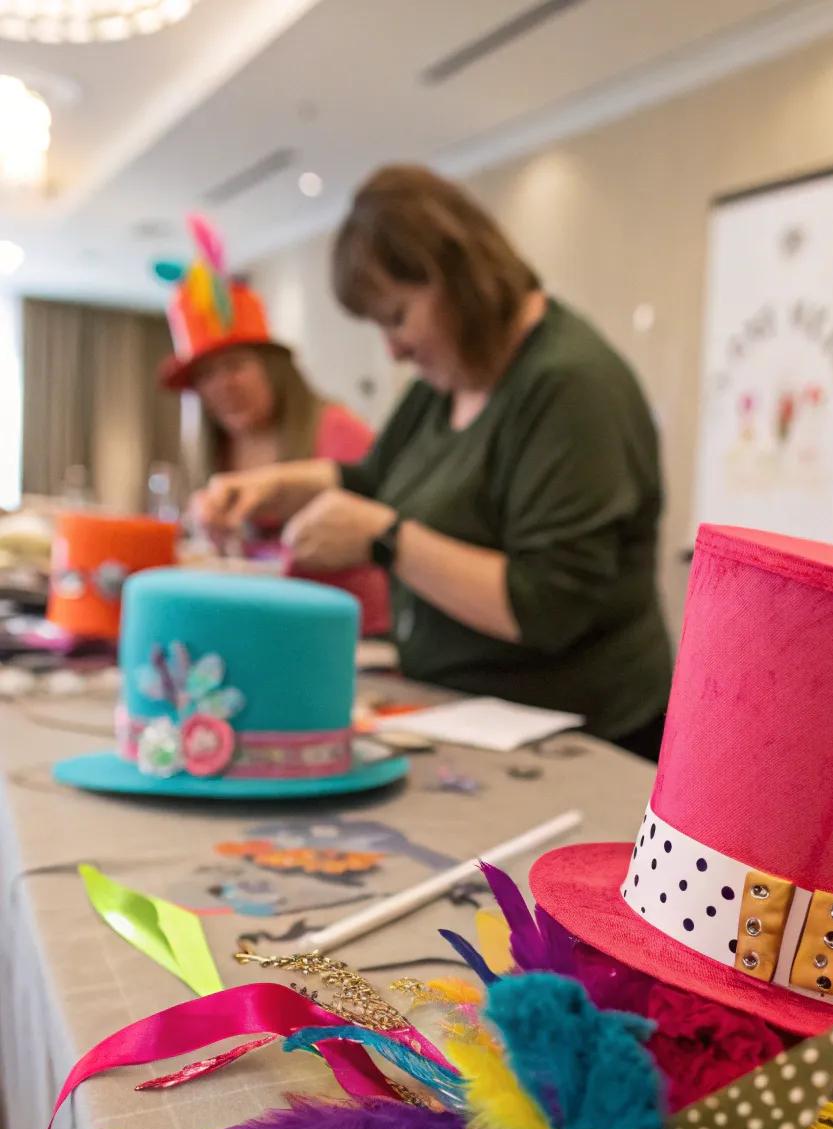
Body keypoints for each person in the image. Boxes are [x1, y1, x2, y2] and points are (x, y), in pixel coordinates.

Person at [193, 166, 672, 755]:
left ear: (459, 278)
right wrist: (269, 488)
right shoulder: (446, 382)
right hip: (468, 717)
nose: (392, 348)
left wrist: (387, 540)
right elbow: (371, 481)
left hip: (583, 736)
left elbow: (547, 606)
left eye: (397, 317)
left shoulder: (570, 387)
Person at [158, 243, 390, 633]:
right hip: (261, 625)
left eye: (234, 367)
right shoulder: (221, 451)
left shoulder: (339, 433)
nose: (221, 387)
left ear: (274, 368)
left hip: (346, 632)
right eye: (206, 376)